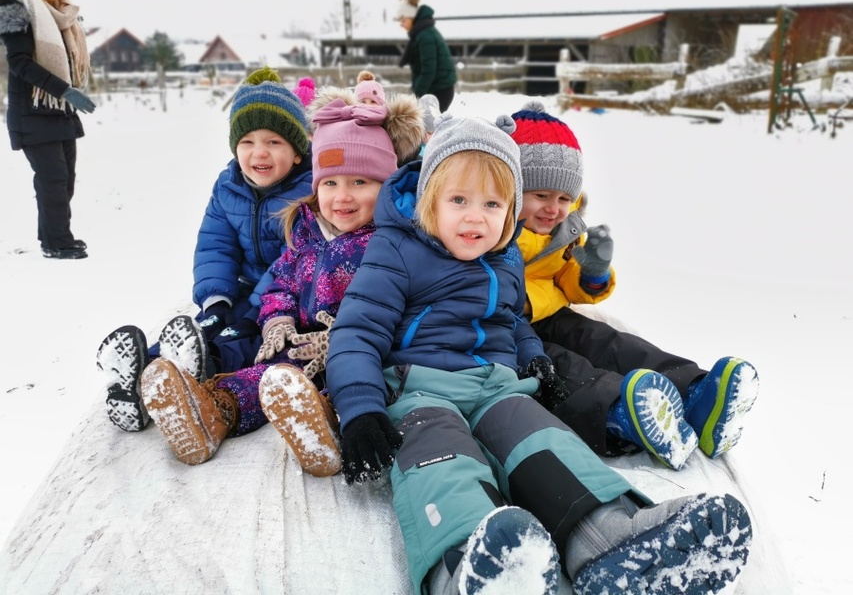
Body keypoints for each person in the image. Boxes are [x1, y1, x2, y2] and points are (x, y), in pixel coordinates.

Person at [323, 112, 753, 594]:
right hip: (421, 391)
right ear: (429, 201)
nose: (474, 216)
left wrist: (533, 356)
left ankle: (609, 539)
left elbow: (511, 320)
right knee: (442, 461)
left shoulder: (505, 256)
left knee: (543, 440)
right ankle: (467, 567)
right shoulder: (396, 251)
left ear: (510, 212)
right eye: (459, 200)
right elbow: (356, 332)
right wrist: (360, 409)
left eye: (492, 203)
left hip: (496, 387)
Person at [136, 91, 425, 470]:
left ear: (385, 187)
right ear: (316, 187)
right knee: (263, 377)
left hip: (355, 353)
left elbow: (409, 309)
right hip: (297, 344)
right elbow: (280, 283)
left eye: (360, 182)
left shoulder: (390, 243)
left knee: (332, 384)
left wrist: (341, 338)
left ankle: (322, 426)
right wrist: (277, 318)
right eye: (330, 183)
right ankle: (211, 413)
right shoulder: (305, 230)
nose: (342, 197)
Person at [509, 100, 760, 471]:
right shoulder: (491, 226)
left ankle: (695, 392)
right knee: (561, 364)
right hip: (503, 325)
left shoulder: (563, 228)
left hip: (545, 313)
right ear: (512, 187)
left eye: (564, 198)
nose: (554, 208)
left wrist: (592, 274)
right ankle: (622, 411)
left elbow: (566, 284)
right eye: (542, 195)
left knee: (605, 339)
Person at [96, 67, 313, 433]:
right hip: (243, 287)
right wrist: (216, 299)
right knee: (206, 325)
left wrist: (252, 311)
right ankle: (139, 375)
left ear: (296, 152)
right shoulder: (228, 185)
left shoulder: (309, 191)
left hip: (284, 299)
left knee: (244, 339)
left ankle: (206, 365)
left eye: (274, 142)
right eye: (247, 142)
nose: (258, 153)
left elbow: (293, 260)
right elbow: (215, 244)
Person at [0, 0, 96, 260]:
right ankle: (58, 243)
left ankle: (50, 236)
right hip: (33, 109)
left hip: (58, 110)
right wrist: (65, 90)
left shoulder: (60, 15)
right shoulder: (15, 9)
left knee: (64, 178)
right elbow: (20, 63)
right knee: (52, 177)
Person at [395, 0, 457, 112]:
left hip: (439, 91)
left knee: (427, 128)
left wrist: (415, 96)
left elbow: (428, 70)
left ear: (411, 17)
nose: (401, 24)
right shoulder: (421, 33)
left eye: (403, 20)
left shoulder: (425, 37)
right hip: (437, 89)